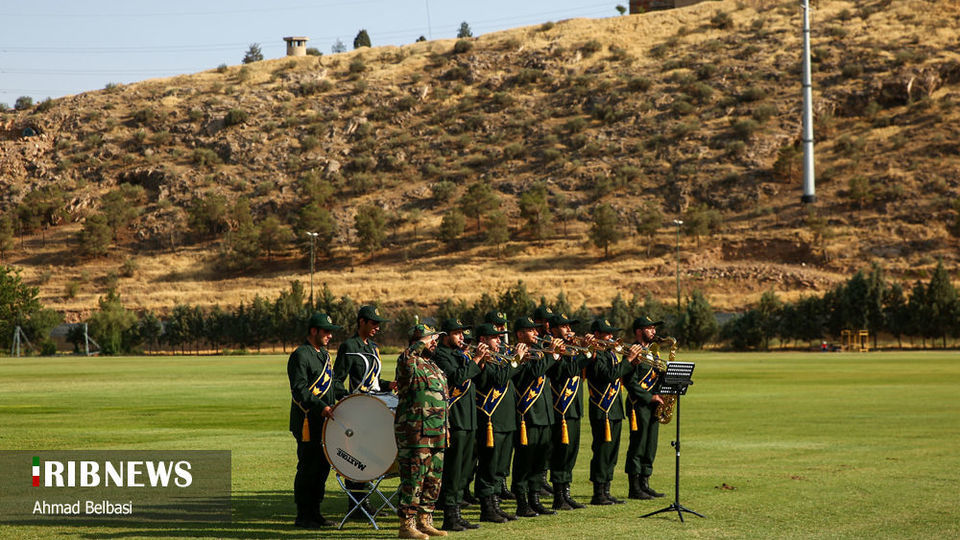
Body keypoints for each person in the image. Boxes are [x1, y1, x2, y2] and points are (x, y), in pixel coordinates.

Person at [333, 304, 395, 516]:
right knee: (357, 455)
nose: (377, 327)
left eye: (379, 324)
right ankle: (357, 504)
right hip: (358, 410)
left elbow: (375, 381)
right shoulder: (349, 345)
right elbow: (337, 381)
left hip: (374, 409)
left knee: (370, 455)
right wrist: (349, 401)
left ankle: (364, 502)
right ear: (361, 322)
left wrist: (390, 385)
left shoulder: (374, 347)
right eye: (373, 323)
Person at [287, 312, 343, 529]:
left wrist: (347, 396)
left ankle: (315, 512)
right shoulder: (301, 355)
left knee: (322, 468)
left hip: (325, 422)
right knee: (307, 468)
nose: (330, 335)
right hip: (308, 421)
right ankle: (303, 515)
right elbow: (299, 389)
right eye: (326, 331)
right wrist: (322, 407)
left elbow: (332, 385)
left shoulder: (324, 355)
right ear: (314, 331)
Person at [394, 322, 449, 539]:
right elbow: (405, 360)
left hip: (437, 434)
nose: (435, 341)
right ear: (418, 341)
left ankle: (425, 520)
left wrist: (447, 430)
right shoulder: (409, 362)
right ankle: (406, 525)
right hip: (416, 434)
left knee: (433, 480)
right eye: (431, 338)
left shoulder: (432, 365)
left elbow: (444, 400)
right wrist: (420, 344)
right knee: (414, 479)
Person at [432, 318, 484, 531]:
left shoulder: (458, 354)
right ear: (445, 336)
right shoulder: (441, 356)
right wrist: (477, 359)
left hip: (469, 418)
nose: (462, 337)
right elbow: (457, 378)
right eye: (457, 333)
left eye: (462, 332)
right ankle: (450, 515)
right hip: (456, 419)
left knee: (464, 469)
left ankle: (457, 512)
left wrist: (477, 360)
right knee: (453, 470)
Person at [472, 323, 523, 524]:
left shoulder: (499, 358)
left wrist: (518, 361)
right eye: (495, 338)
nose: (499, 341)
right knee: (488, 467)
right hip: (490, 421)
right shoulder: (482, 361)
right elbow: (499, 378)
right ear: (483, 340)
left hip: (506, 420)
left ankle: (495, 505)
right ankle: (487, 508)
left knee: (500, 467)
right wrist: (517, 361)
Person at [510, 316, 557, 518]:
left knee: (540, 462)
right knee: (524, 462)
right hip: (528, 415)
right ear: (520, 333)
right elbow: (536, 371)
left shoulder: (538, 351)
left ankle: (535, 499)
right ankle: (522, 502)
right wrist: (552, 355)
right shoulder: (518, 354)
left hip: (545, 414)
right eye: (531, 330)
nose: (536, 333)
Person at [546, 312, 593, 511]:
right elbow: (568, 369)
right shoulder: (552, 348)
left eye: (569, 326)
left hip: (574, 407)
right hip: (560, 408)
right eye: (563, 326)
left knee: (571, 453)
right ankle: (558, 496)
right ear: (553, 329)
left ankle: (566, 493)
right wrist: (586, 352)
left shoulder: (571, 346)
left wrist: (585, 348)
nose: (568, 329)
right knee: (560, 453)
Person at [585, 318, 633, 505]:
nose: (611, 336)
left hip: (614, 409)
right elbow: (608, 375)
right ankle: (598, 492)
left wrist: (632, 362)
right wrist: (628, 361)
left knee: (612, 452)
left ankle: (606, 489)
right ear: (597, 335)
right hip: (602, 409)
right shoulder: (596, 354)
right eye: (607, 333)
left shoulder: (610, 353)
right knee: (602, 451)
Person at [623, 315, 667, 500]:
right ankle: (634, 488)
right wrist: (650, 397)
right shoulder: (632, 351)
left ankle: (645, 484)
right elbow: (629, 381)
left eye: (654, 328)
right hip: (638, 404)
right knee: (638, 446)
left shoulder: (654, 352)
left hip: (654, 404)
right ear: (639, 331)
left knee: (650, 445)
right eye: (649, 328)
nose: (654, 331)